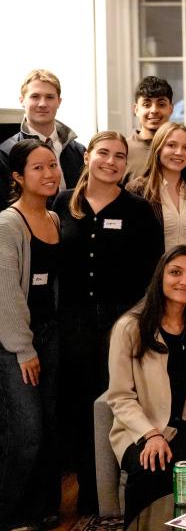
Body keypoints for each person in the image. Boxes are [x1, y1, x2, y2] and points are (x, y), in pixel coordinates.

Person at [52, 131, 162, 513]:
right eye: (103, 153)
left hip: (123, 322)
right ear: (88, 157)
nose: (111, 162)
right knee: (80, 407)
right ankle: (88, 495)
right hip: (73, 321)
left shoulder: (138, 210)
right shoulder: (63, 204)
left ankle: (125, 492)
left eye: (119, 156)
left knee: (120, 401)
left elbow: (154, 272)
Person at [107, 246, 186, 525]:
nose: (184, 281)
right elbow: (119, 397)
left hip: (185, 426)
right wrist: (151, 435)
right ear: (160, 276)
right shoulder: (130, 327)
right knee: (153, 467)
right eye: (175, 272)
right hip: (141, 428)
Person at [0, 140, 61, 531]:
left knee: (50, 425)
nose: (49, 174)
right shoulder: (8, 224)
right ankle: (10, 515)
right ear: (18, 177)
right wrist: (23, 348)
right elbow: (5, 291)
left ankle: (43, 508)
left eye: (52, 165)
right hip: (16, 343)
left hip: (51, 335)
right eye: (37, 168)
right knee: (25, 431)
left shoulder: (54, 219)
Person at [0, 69, 86, 209]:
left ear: (59, 101)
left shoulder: (79, 151)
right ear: (22, 101)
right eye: (35, 96)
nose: (42, 104)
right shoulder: (5, 153)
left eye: (50, 97)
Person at [126, 122, 186, 253]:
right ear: (158, 149)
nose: (179, 152)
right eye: (171, 145)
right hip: (152, 272)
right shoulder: (137, 190)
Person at [124, 76, 174, 185]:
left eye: (161, 104)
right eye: (147, 105)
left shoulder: (183, 149)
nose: (154, 110)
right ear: (136, 109)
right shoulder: (123, 149)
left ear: (171, 108)